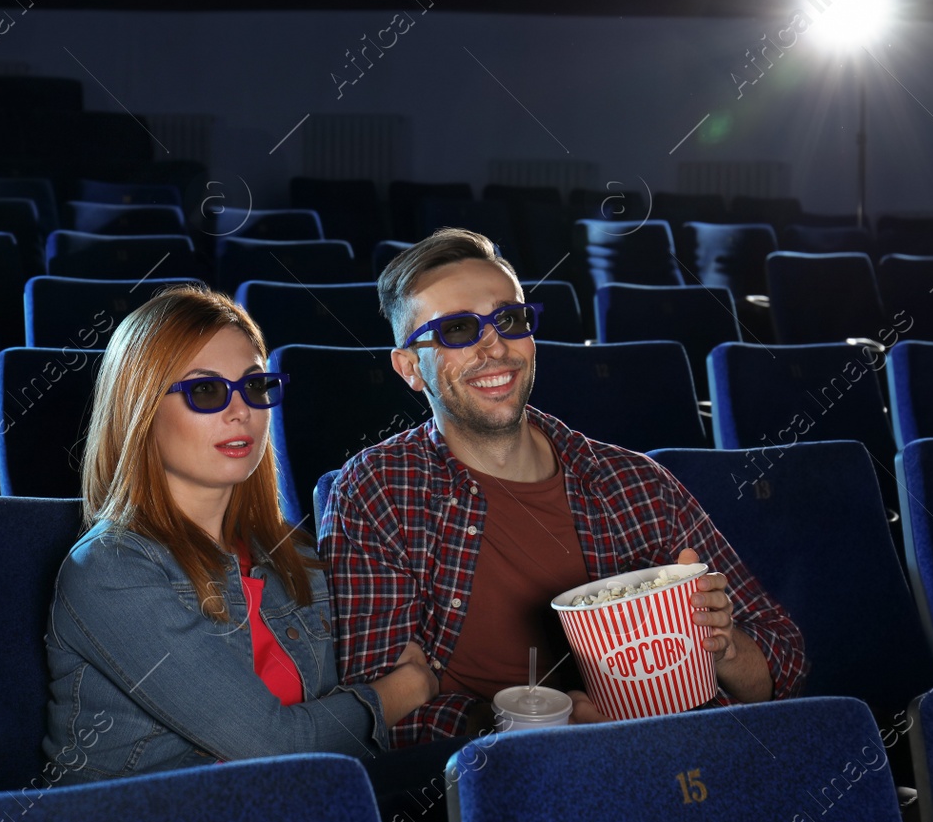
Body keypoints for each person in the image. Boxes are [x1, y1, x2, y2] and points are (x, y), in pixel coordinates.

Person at [322, 229, 809, 747]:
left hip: (662, 760)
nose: (494, 345)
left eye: (509, 319)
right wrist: (524, 722)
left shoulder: (636, 484)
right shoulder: (378, 491)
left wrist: (724, 648)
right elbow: (371, 715)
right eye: (458, 330)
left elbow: (784, 668)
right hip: (495, 785)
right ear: (409, 369)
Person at [43, 285, 436, 778]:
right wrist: (409, 688)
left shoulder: (292, 551)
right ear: (140, 410)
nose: (241, 411)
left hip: (297, 815)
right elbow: (274, 744)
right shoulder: (108, 569)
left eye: (254, 387)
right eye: (205, 390)